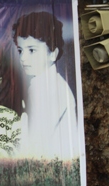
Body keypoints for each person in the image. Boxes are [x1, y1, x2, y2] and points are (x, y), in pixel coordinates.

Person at [12, 11, 78, 158]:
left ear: (53, 54)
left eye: (32, 50)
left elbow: (35, 142)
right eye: (20, 50)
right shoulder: (41, 83)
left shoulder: (50, 88)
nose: (23, 58)